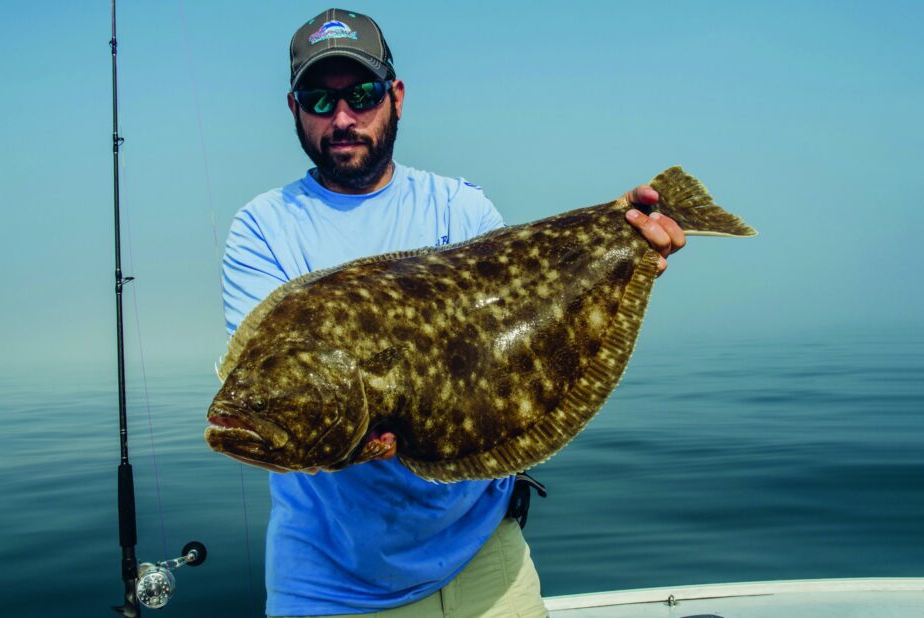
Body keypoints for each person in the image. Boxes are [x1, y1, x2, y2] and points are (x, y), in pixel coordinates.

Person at [220, 9, 686, 617]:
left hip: (486, 564)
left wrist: (615, 233)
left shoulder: (458, 207)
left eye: (361, 95)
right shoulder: (263, 227)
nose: (342, 118)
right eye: (318, 99)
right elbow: (281, 385)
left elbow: (520, 335)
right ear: (293, 108)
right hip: (331, 588)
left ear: (396, 97)